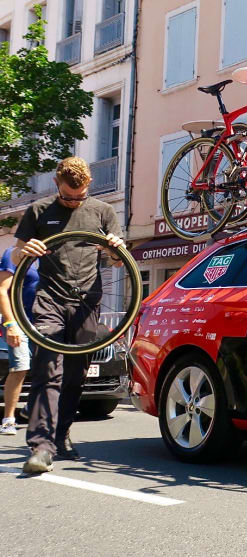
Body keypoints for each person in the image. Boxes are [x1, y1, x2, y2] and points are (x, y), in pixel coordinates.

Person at [12, 157, 124, 474]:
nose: (74, 201)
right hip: (50, 298)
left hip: (87, 299)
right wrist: (25, 251)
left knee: (76, 373)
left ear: (88, 186)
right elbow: (16, 254)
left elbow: (118, 261)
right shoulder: (38, 210)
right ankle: (41, 447)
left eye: (80, 196)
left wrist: (114, 248)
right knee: (47, 369)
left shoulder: (103, 211)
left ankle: (61, 435)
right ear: (56, 184)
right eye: (67, 196)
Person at [0, 247, 39, 435]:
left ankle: (31, 407)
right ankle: (8, 420)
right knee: (20, 367)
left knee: (49, 367)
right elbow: (2, 290)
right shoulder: (14, 253)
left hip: (44, 321)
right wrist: (10, 324)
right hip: (19, 321)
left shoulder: (52, 254)